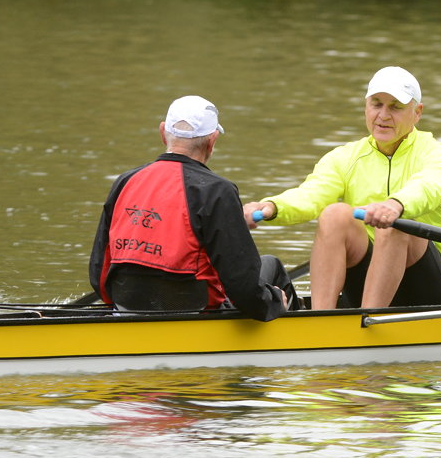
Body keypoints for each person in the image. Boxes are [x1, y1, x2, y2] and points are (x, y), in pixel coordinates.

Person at [245, 67, 441, 309]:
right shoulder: (345, 157)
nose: (383, 115)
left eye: (395, 107)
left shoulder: (437, 154)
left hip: (432, 290)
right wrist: (270, 206)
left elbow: (427, 187)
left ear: (417, 113)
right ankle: (322, 322)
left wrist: (395, 205)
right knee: (334, 215)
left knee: (395, 223)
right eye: (376, 104)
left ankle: (365, 323)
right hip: (369, 276)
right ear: (366, 107)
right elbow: (310, 195)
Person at [89, 95, 294, 320]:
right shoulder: (217, 190)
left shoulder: (125, 181)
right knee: (271, 266)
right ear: (212, 140)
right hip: (196, 309)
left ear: (162, 132)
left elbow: (99, 272)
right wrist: (273, 301)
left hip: (127, 305)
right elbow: (243, 286)